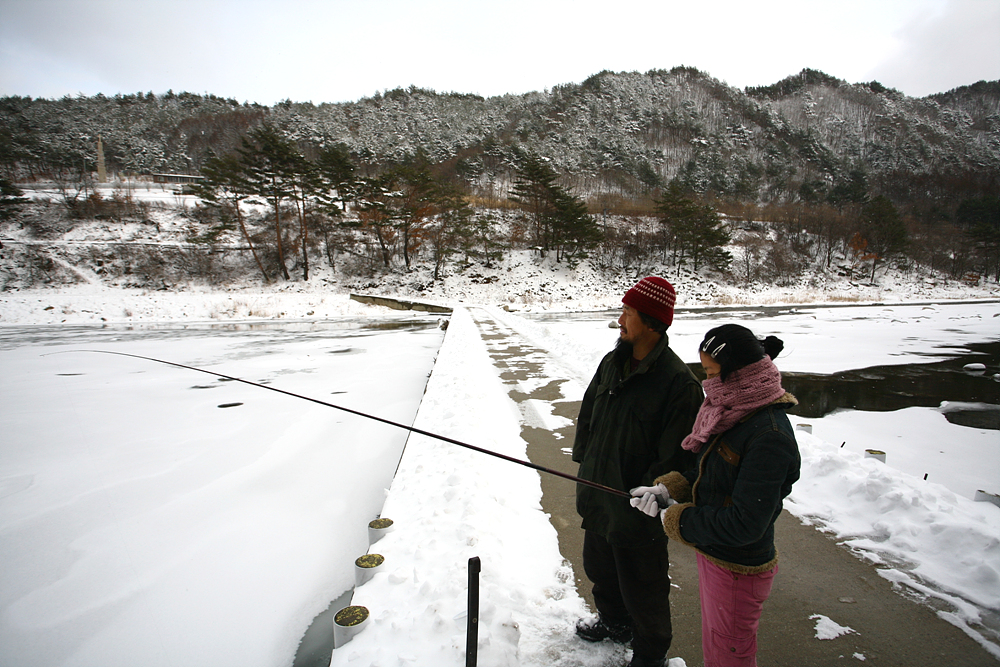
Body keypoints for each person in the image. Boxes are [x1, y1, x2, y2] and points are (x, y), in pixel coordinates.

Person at [630, 323, 800, 667]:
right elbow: (711, 474)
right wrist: (669, 489)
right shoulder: (734, 412)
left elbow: (744, 523)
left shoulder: (769, 435)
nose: (706, 382)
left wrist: (675, 518)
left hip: (739, 567)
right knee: (717, 646)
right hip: (715, 555)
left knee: (729, 654)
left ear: (738, 374)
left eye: (710, 372)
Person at [572, 276, 704, 667]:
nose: (619, 320)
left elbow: (678, 455)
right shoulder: (613, 361)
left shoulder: (678, 383)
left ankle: (650, 653)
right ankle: (614, 623)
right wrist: (585, 460)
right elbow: (588, 414)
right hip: (598, 490)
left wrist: (655, 490)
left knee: (643, 586)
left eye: (627, 313)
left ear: (650, 322)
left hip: (635, 505)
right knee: (600, 569)